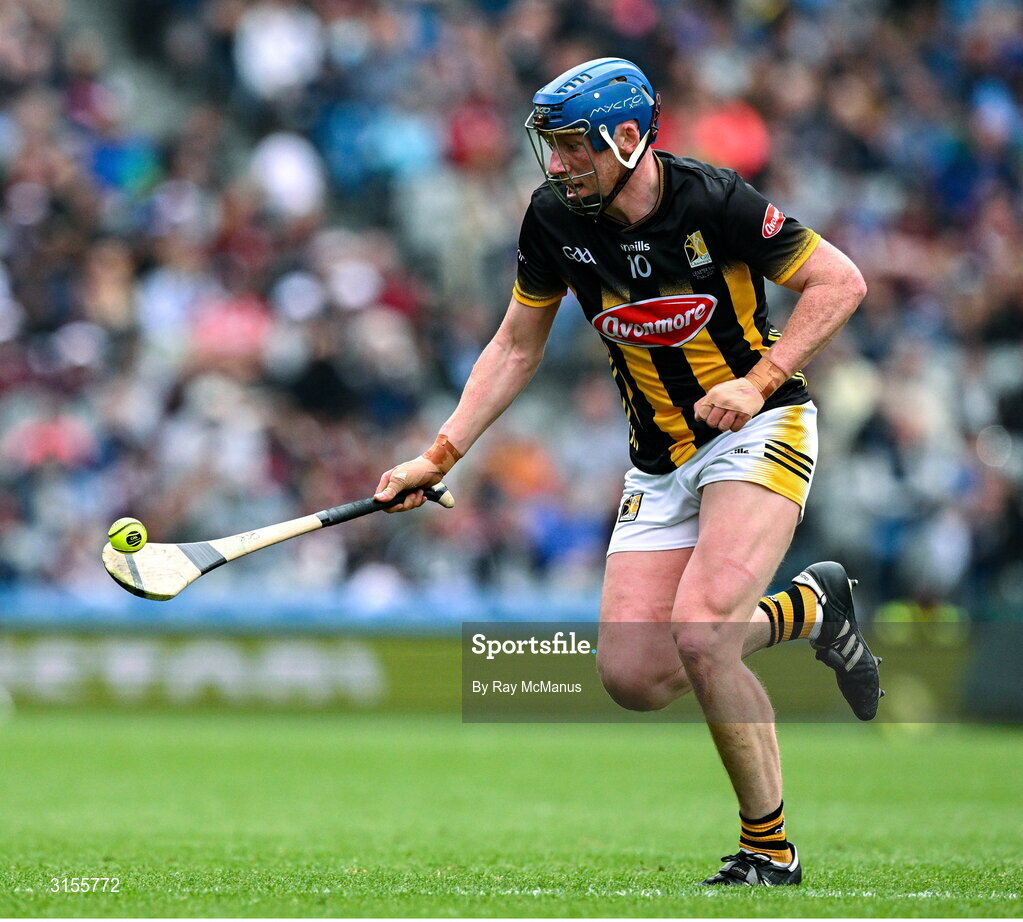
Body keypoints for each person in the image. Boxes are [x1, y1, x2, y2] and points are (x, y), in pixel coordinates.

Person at [375, 57, 882, 886]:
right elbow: (514, 345)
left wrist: (754, 383)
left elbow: (839, 280)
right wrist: (438, 454)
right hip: (657, 461)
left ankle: (769, 850)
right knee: (635, 677)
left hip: (758, 426)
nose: (559, 163)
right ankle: (812, 607)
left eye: (574, 146)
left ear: (625, 135)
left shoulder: (712, 200)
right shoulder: (551, 219)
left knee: (702, 632)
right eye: (553, 147)